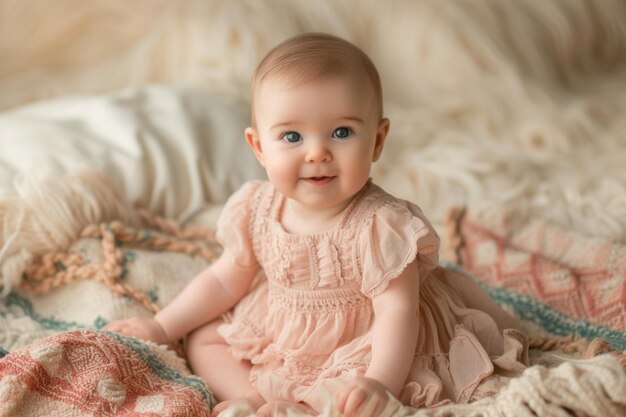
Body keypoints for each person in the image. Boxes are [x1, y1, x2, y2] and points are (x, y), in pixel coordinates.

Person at [105, 33, 522, 417]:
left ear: (377, 141)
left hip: (368, 337)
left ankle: (312, 402)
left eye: (342, 132)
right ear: (258, 147)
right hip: (284, 322)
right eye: (291, 137)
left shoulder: (381, 225)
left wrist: (379, 383)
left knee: (349, 390)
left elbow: (398, 312)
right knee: (203, 337)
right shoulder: (256, 206)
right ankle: (249, 397)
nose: (317, 152)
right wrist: (161, 326)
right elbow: (222, 282)